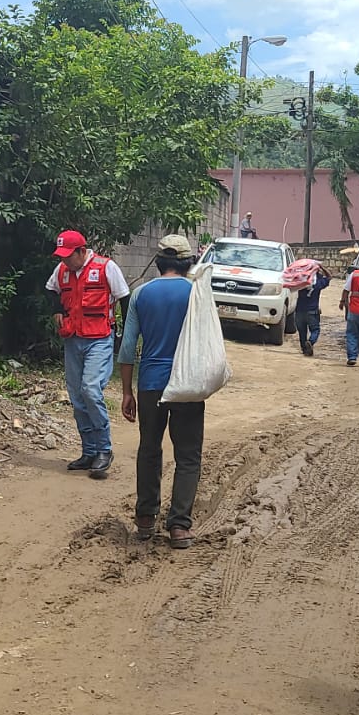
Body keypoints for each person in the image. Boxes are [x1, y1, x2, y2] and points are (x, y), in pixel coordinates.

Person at [117, 235, 204, 549]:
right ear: (187, 261)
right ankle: (179, 526)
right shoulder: (196, 294)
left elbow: (128, 349)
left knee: (150, 449)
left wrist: (127, 392)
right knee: (188, 456)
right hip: (188, 385)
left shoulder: (141, 294)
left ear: (159, 260)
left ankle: (145, 519)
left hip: (151, 383)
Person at [47, 230, 131, 480]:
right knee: (76, 395)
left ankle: (104, 450)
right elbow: (51, 290)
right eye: (61, 256)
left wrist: (125, 337)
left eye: (68, 256)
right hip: (72, 339)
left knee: (90, 389)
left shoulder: (106, 267)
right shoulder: (61, 271)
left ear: (82, 251)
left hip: (100, 338)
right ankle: (89, 451)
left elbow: (125, 298)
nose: (64, 261)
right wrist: (58, 311)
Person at [295, 264, 331, 356]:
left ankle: (304, 349)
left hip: (299, 310)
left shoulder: (301, 281)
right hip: (312, 311)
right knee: (315, 330)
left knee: (302, 332)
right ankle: (310, 342)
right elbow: (329, 276)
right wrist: (322, 267)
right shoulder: (319, 282)